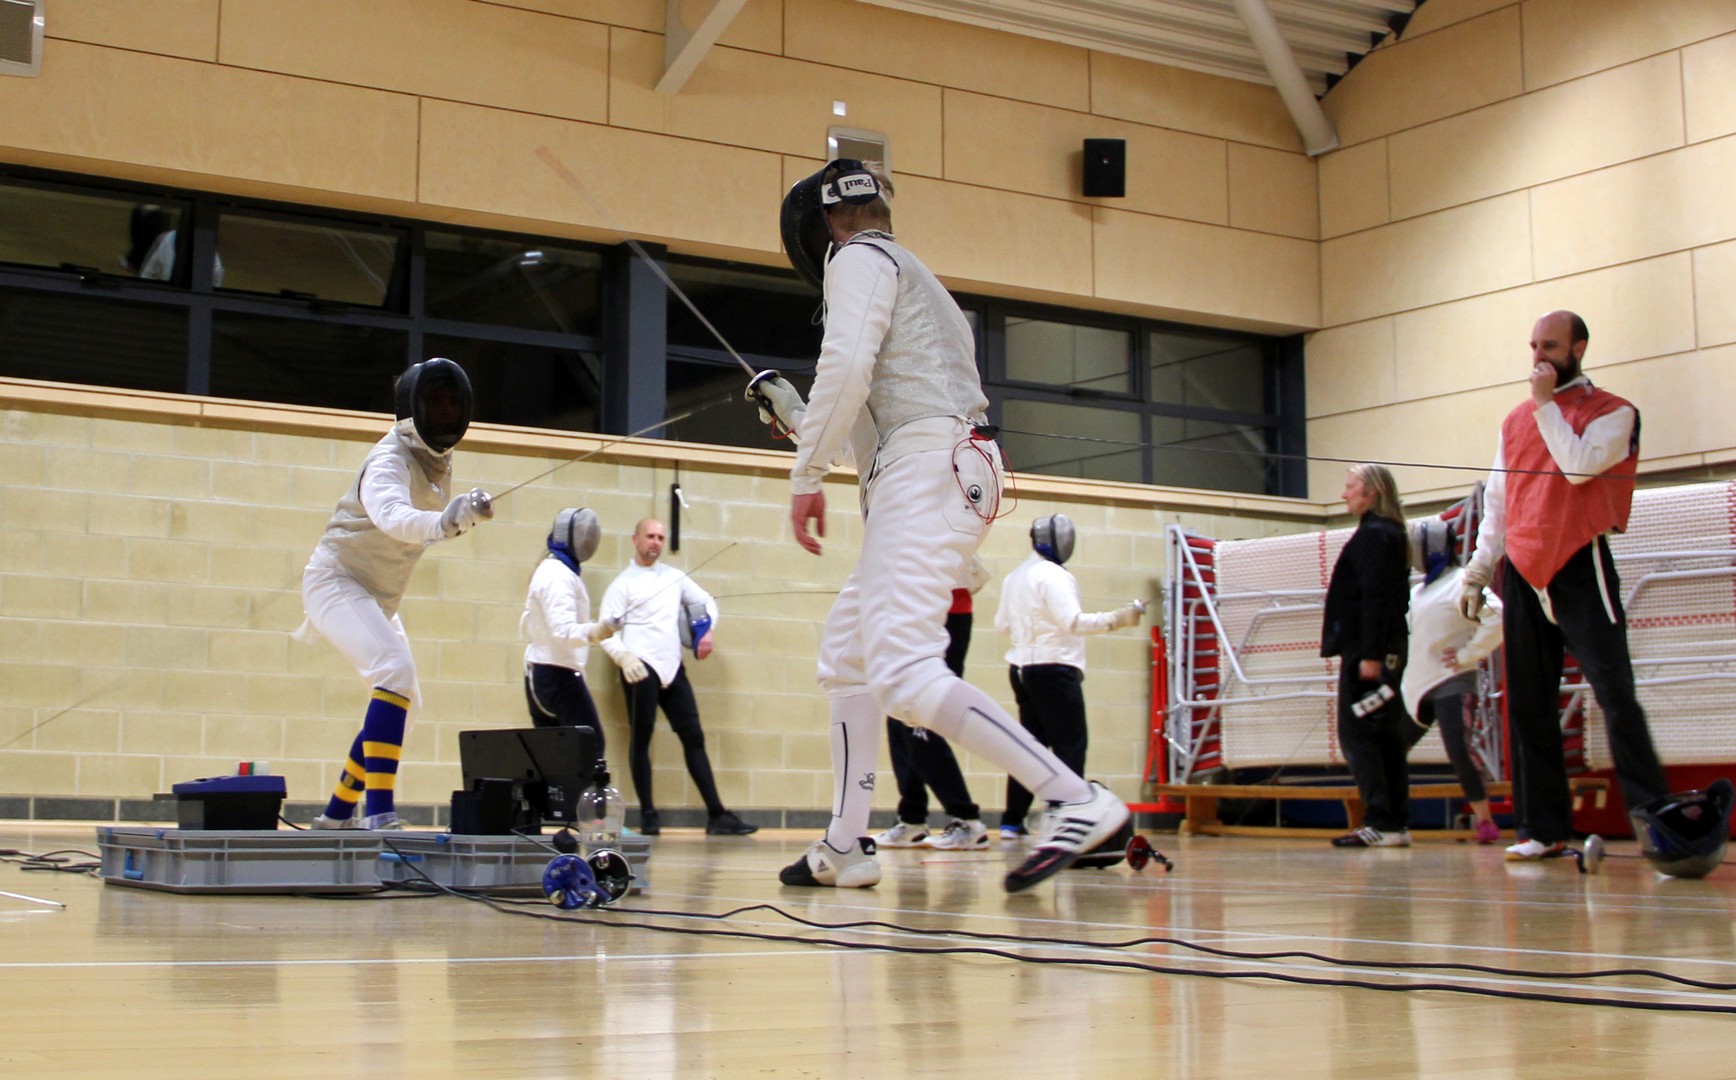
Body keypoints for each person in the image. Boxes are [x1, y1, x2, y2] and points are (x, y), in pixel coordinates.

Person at [757, 159, 1129, 892]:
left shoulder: (858, 258)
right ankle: (845, 843)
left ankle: (1079, 800)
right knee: (848, 654)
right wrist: (798, 420)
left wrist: (805, 475)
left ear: (820, 227)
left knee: (901, 668)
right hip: (937, 463)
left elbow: (848, 367)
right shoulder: (914, 276)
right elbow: (877, 415)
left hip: (930, 469)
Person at [1462, 310, 1668, 862]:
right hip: (1523, 572)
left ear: (1578, 347)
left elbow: (1577, 468)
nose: (1538, 355)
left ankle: (1660, 825)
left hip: (1580, 562)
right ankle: (1542, 829)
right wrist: (1479, 570)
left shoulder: (1615, 412)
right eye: (1533, 345)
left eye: (1549, 345)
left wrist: (1546, 406)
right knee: (1527, 704)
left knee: (1614, 693)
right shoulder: (1515, 421)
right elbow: (1499, 502)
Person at [301, 358, 493, 830]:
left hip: (379, 598)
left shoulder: (437, 458)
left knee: (406, 702)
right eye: (436, 401)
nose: (446, 410)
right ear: (412, 408)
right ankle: (380, 814)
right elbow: (393, 516)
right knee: (395, 671)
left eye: (453, 401)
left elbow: (427, 520)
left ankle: (336, 815)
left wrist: (454, 517)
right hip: (336, 581)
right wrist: (444, 520)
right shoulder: (388, 459)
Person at [596, 518, 757, 837]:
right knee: (641, 741)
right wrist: (624, 657)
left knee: (694, 736)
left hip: (673, 668)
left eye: (659, 537)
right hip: (640, 668)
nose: (655, 542)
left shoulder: (674, 577)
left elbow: (706, 602)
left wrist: (707, 630)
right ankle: (649, 815)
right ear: (635, 539)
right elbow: (604, 632)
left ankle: (717, 815)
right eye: (649, 536)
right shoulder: (623, 584)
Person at [995, 514, 1144, 839]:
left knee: (1029, 747)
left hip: (1021, 670)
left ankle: (1011, 821)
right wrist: (1118, 619)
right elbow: (1072, 622)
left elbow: (1001, 625)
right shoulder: (1054, 575)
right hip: (1055, 669)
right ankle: (1066, 818)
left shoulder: (1015, 576)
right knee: (1070, 745)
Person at [873, 556, 993, 851]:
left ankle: (968, 820)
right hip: (918, 616)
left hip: (944, 615)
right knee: (897, 714)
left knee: (922, 720)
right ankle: (912, 819)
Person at [1321, 464, 1413, 848]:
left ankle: (1380, 820)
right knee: (1383, 733)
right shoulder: (1387, 534)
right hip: (1378, 649)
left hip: (1370, 652)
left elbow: (1377, 599)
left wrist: (1371, 656)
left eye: (1350, 487)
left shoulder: (1376, 536)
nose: (1344, 495)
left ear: (1371, 492)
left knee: (1361, 734)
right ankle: (1393, 823)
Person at [1403, 517, 1504, 844]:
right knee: (1387, 748)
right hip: (1416, 686)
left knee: (1458, 749)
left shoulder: (1463, 581)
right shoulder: (1417, 592)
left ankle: (1485, 821)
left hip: (1453, 681)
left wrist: (1467, 654)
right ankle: (1389, 819)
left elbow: (1498, 617)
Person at [523, 507, 619, 736]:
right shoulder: (557, 576)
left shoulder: (556, 570)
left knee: (559, 758)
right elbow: (562, 630)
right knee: (590, 748)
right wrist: (597, 631)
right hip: (557, 674)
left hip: (543, 673)